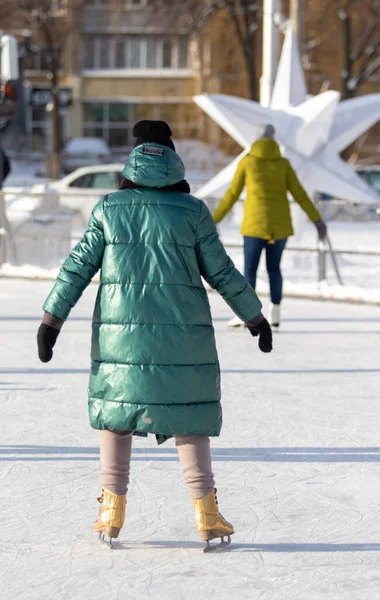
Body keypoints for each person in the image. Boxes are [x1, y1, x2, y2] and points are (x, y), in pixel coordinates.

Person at [37, 120, 273, 552]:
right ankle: (207, 513)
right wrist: (255, 317)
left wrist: (51, 320)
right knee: (189, 417)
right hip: (185, 339)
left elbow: (76, 267)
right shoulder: (193, 212)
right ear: (173, 161)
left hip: (120, 340)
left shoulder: (110, 208)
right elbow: (221, 272)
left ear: (133, 160)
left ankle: (111, 509)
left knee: (116, 416)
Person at [213, 124, 327, 329]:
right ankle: (275, 313)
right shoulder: (283, 164)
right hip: (279, 227)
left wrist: (214, 219)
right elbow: (300, 194)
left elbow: (232, 194)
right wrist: (317, 220)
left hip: (254, 227)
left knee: (250, 269)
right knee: (274, 269)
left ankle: (246, 314)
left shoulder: (247, 162)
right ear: (273, 140)